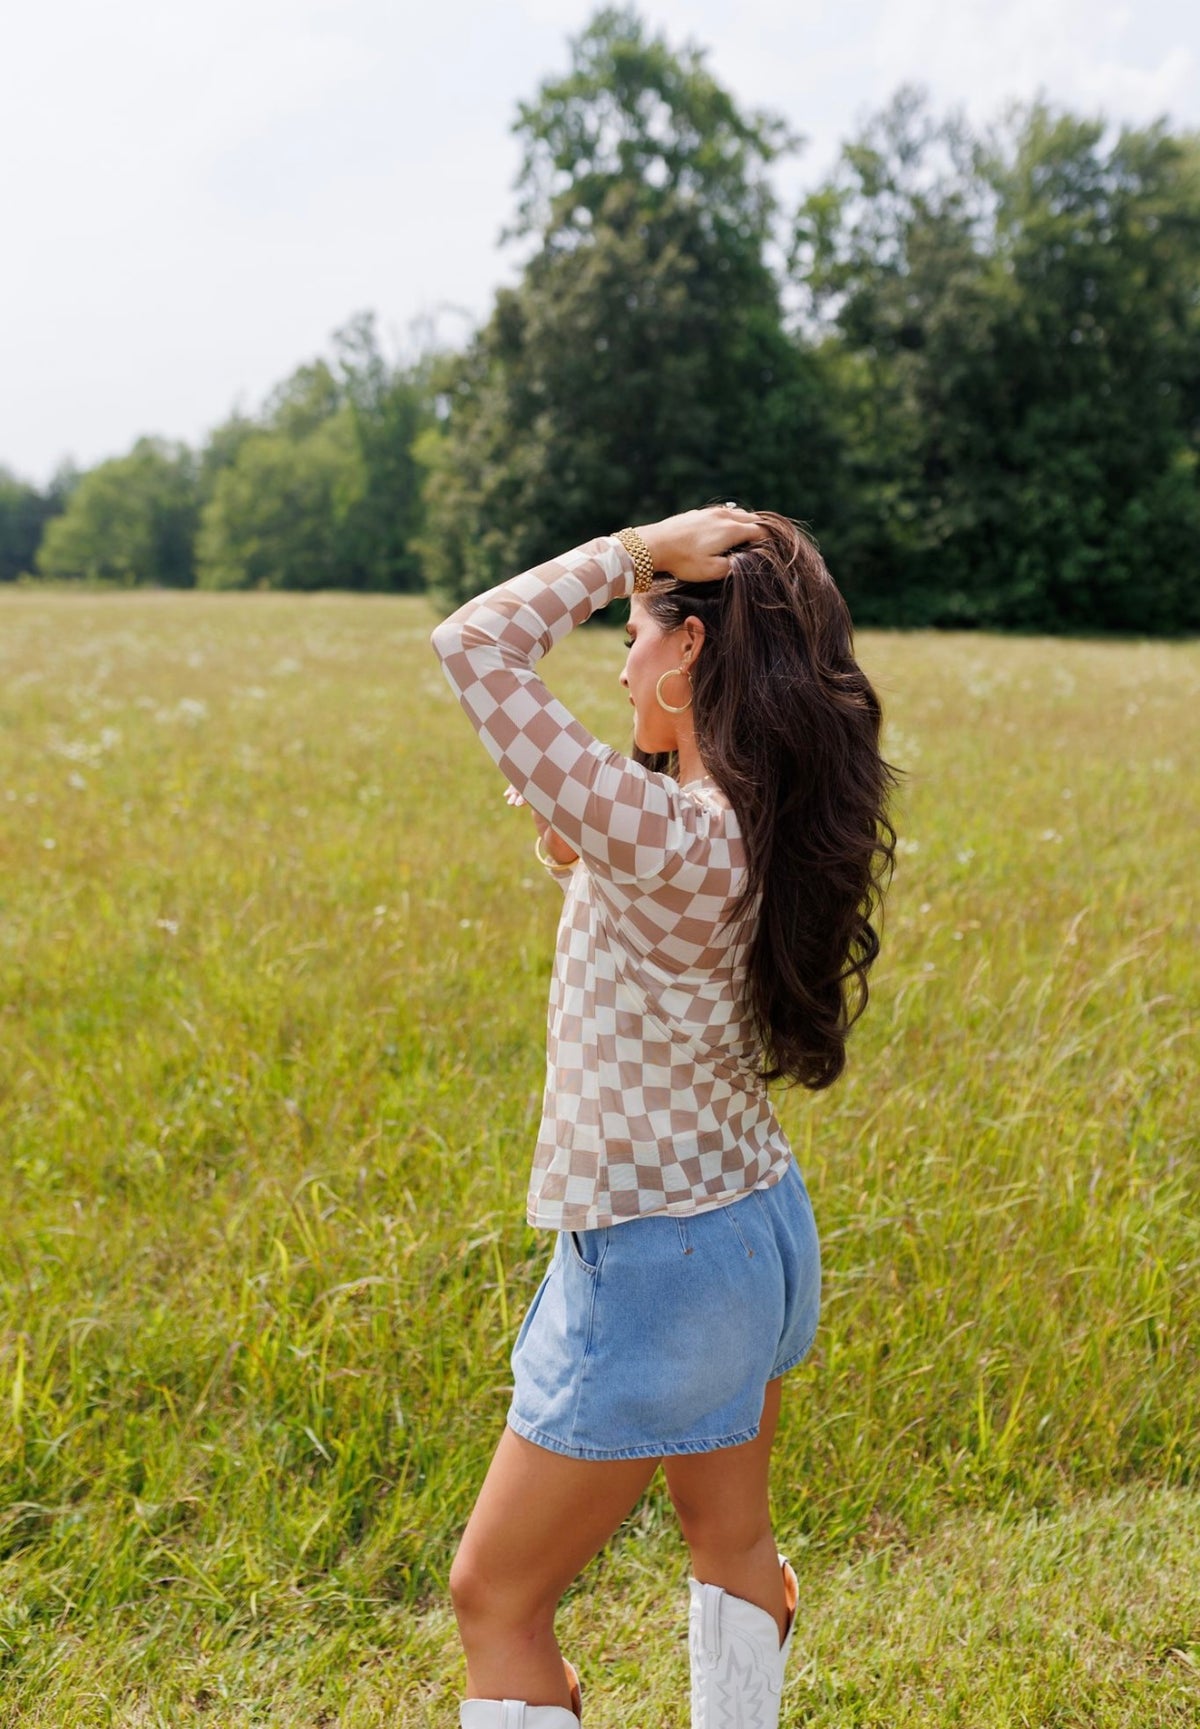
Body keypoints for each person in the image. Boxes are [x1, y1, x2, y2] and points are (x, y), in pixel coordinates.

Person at [430, 504, 897, 1728]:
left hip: (656, 1256)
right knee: (731, 1537)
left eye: (633, 634)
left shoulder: (676, 835)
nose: (622, 660)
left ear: (688, 651)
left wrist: (633, 548)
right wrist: (598, 823)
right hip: (755, 1225)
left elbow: (474, 645)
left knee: (495, 1600)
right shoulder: (751, 810)